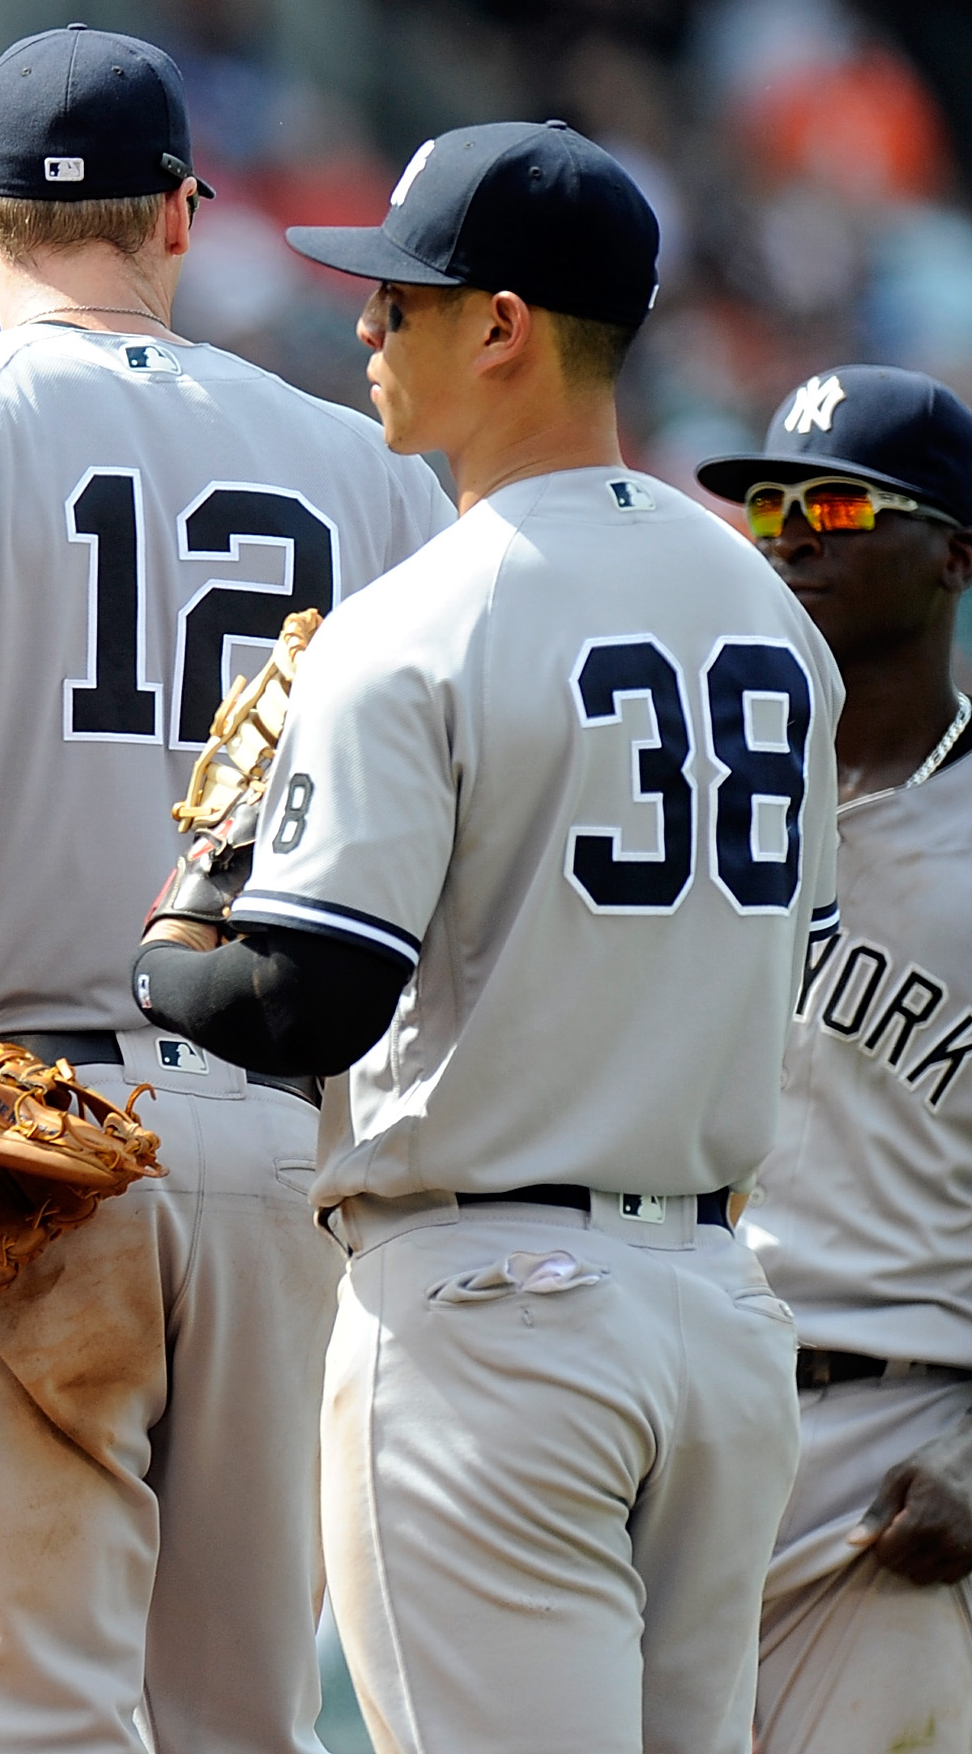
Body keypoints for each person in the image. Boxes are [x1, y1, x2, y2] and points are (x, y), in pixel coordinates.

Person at [0, 25, 451, 1754]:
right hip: (284, 1145)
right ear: (184, 218)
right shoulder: (360, 463)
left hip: (18, 1130)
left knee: (37, 1716)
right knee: (243, 1721)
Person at [133, 121, 842, 1754]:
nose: (369, 332)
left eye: (406, 302)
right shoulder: (771, 620)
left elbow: (304, 1001)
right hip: (720, 1321)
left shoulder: (417, 624)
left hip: (494, 1317)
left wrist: (166, 940)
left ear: (504, 327)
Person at [700, 369, 972, 1754]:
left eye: (843, 502)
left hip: (899, 1443)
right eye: (770, 509)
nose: (796, 533)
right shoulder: (690, 795)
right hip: (674, 1405)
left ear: (956, 555)